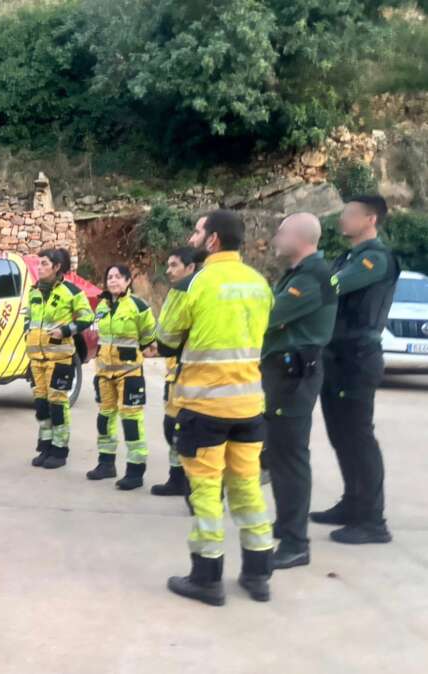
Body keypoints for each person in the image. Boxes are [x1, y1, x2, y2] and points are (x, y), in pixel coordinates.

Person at [157, 210, 275, 606]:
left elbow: (166, 338)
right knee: (247, 490)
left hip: (204, 408)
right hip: (248, 407)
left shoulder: (195, 283)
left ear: (212, 241)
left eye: (196, 230)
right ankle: (258, 575)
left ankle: (207, 579)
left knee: (206, 494)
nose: (192, 236)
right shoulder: (261, 283)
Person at [313, 195, 399, 545]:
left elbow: (333, 286)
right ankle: (352, 504)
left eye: (350, 214)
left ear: (371, 219)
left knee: (358, 435)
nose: (342, 219)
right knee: (340, 433)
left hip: (358, 357)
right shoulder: (348, 257)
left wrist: (305, 283)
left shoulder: (375, 258)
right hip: (336, 355)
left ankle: (373, 520)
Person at [261, 213, 338, 569]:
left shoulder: (312, 278)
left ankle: (296, 543)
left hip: (294, 376)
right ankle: (287, 524)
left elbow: (267, 316)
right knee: (279, 453)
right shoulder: (298, 274)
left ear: (301, 237)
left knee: (290, 457)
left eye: (281, 232)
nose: (276, 237)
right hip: (283, 373)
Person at [87, 264, 157, 489]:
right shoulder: (102, 306)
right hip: (105, 374)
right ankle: (106, 463)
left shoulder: (138, 306)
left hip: (130, 374)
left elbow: (149, 340)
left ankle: (135, 471)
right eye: (109, 277)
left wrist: (144, 351)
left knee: (131, 421)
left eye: (118, 277)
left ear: (128, 281)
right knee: (105, 418)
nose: (113, 280)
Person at [25, 248, 95, 469]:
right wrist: (28, 332)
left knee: (57, 404)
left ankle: (59, 449)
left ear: (56, 267)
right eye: (39, 263)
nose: (39, 267)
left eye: (44, 263)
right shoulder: (34, 292)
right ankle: (45, 445)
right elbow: (30, 319)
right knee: (41, 404)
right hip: (37, 359)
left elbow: (87, 317)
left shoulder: (71, 292)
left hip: (60, 358)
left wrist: (66, 330)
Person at [151, 246, 202, 497]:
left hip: (194, 375)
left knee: (186, 430)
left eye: (174, 265)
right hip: (176, 373)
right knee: (171, 428)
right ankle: (177, 478)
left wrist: (160, 344)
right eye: (168, 265)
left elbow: (167, 339)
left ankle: (193, 483)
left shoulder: (187, 291)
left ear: (191, 268)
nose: (168, 270)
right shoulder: (181, 291)